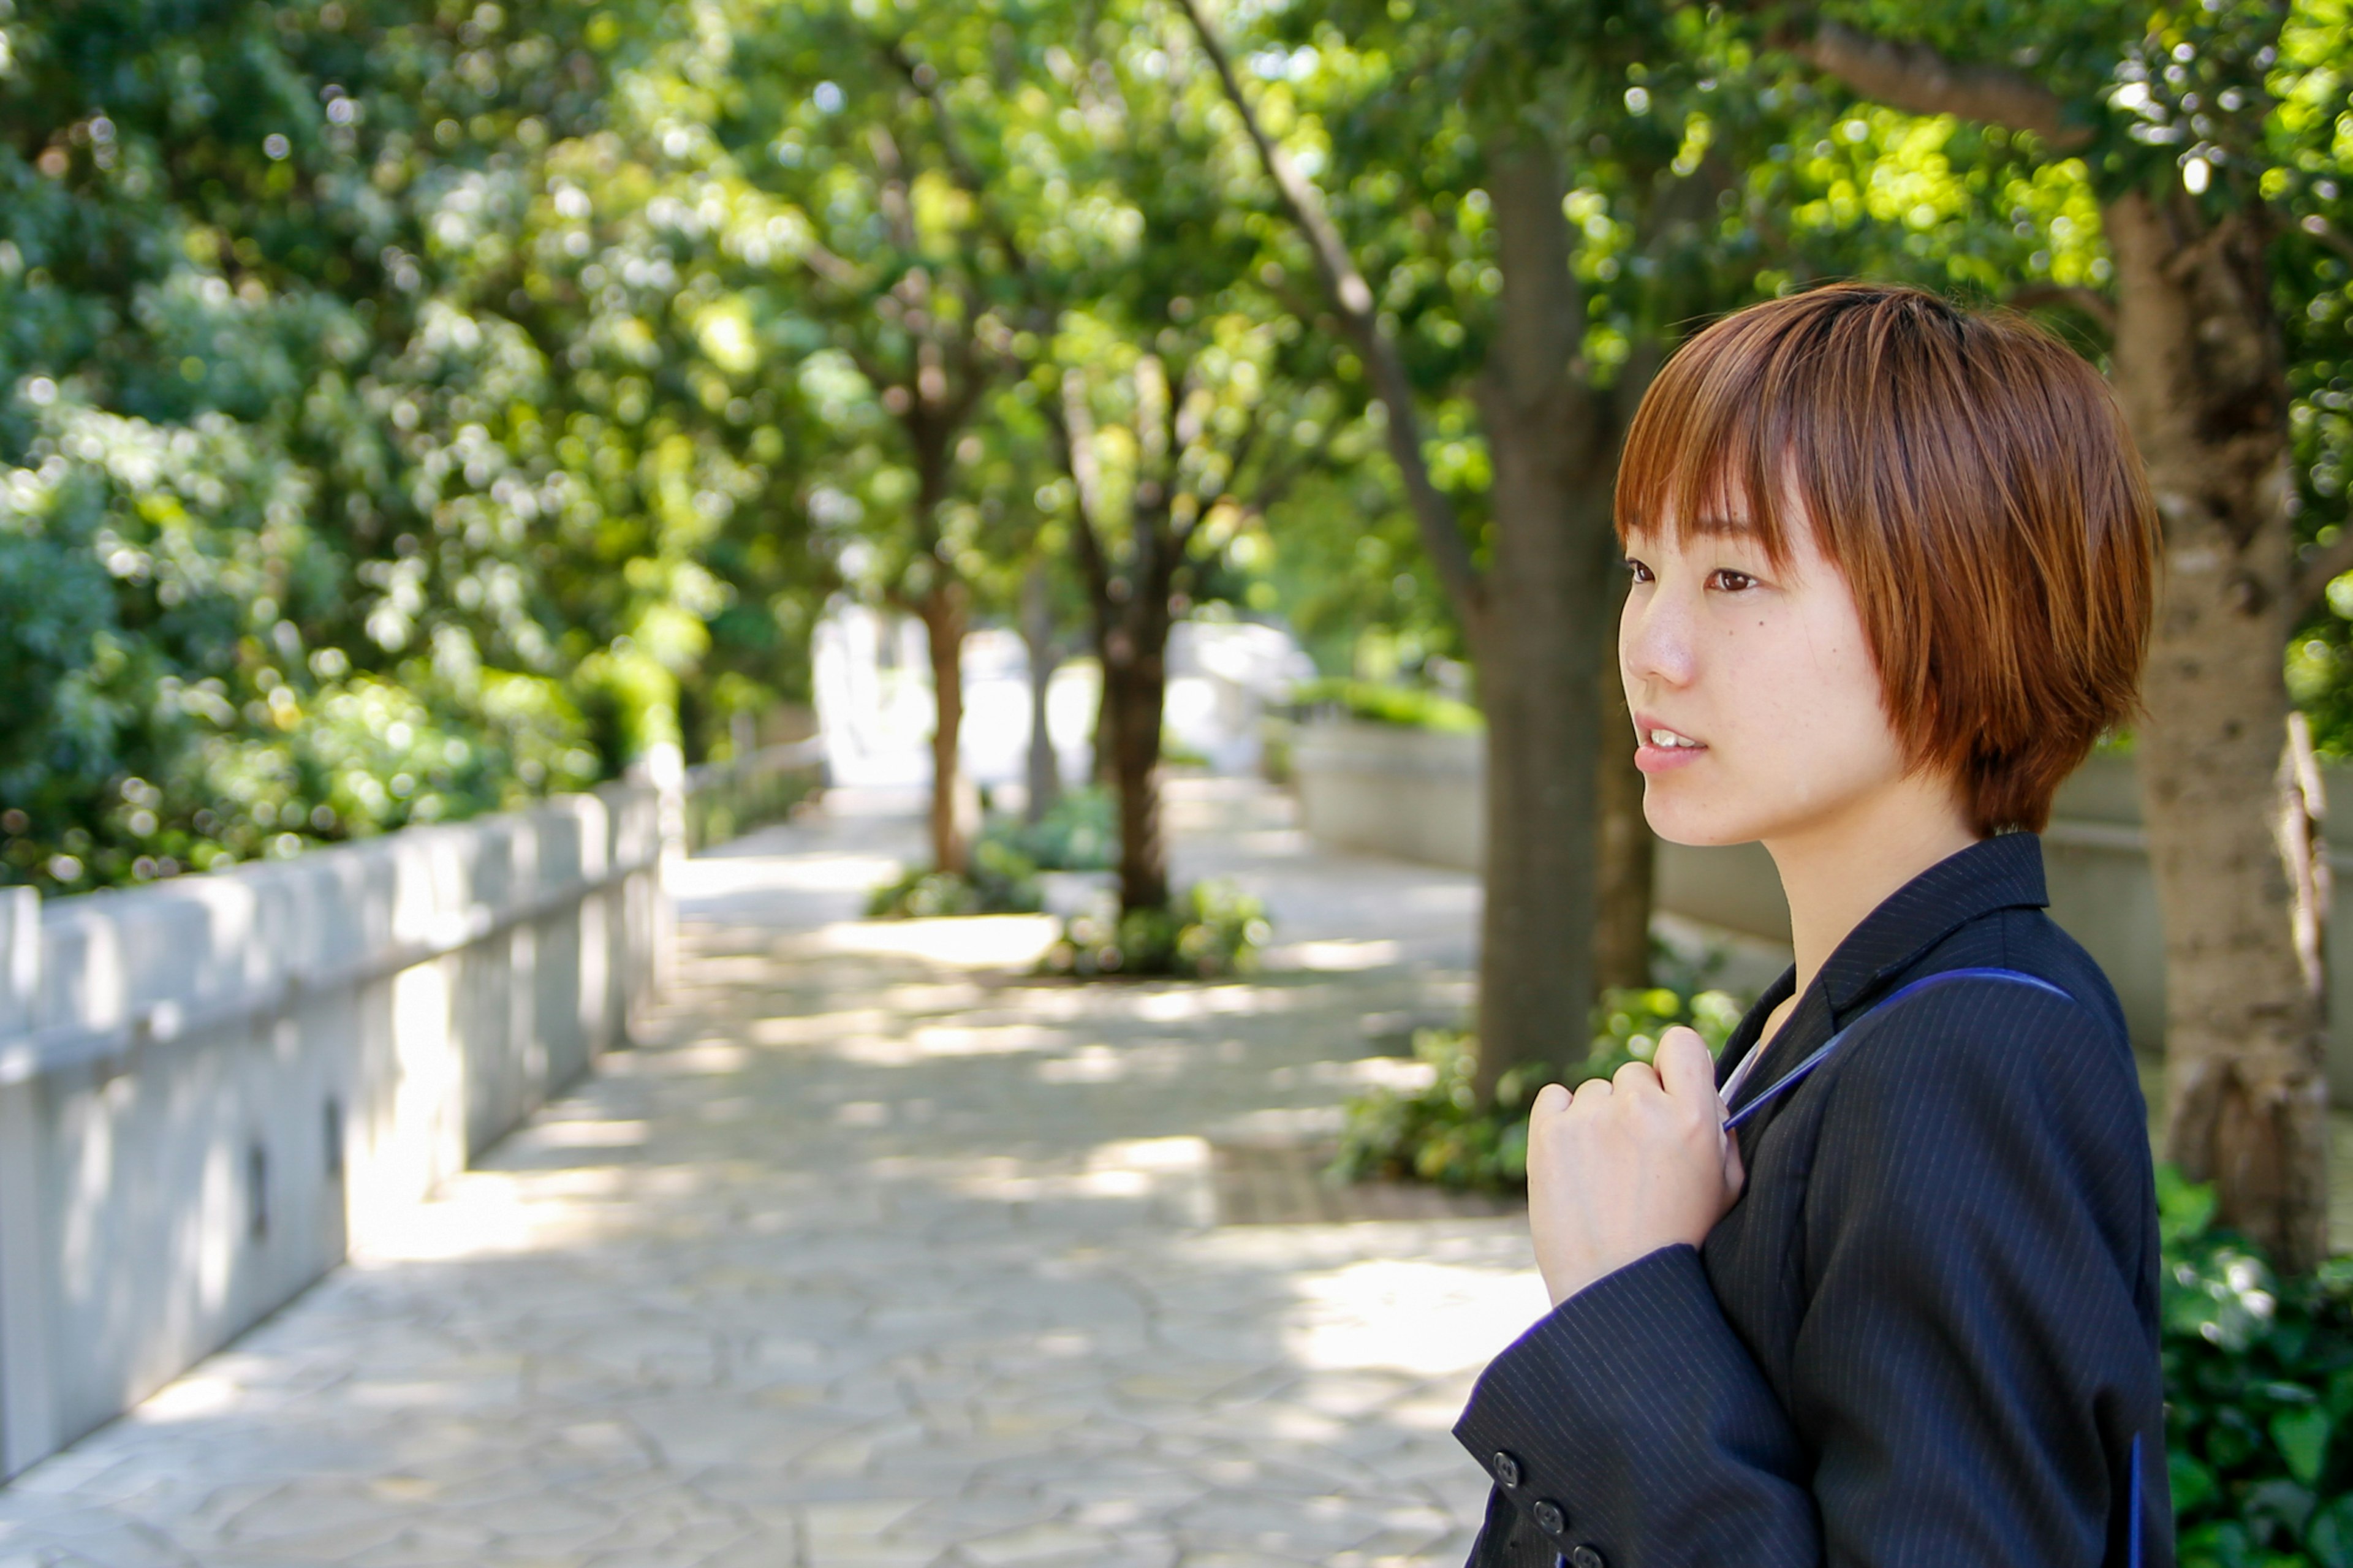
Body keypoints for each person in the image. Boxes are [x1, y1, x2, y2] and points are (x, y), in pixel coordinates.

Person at [1453, 282, 2169, 1568]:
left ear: (1967, 608)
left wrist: (1630, 1307)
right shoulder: (1842, 1013)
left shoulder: (1967, 1055)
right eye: (1642, 567)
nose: (1654, 646)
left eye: (1734, 574)